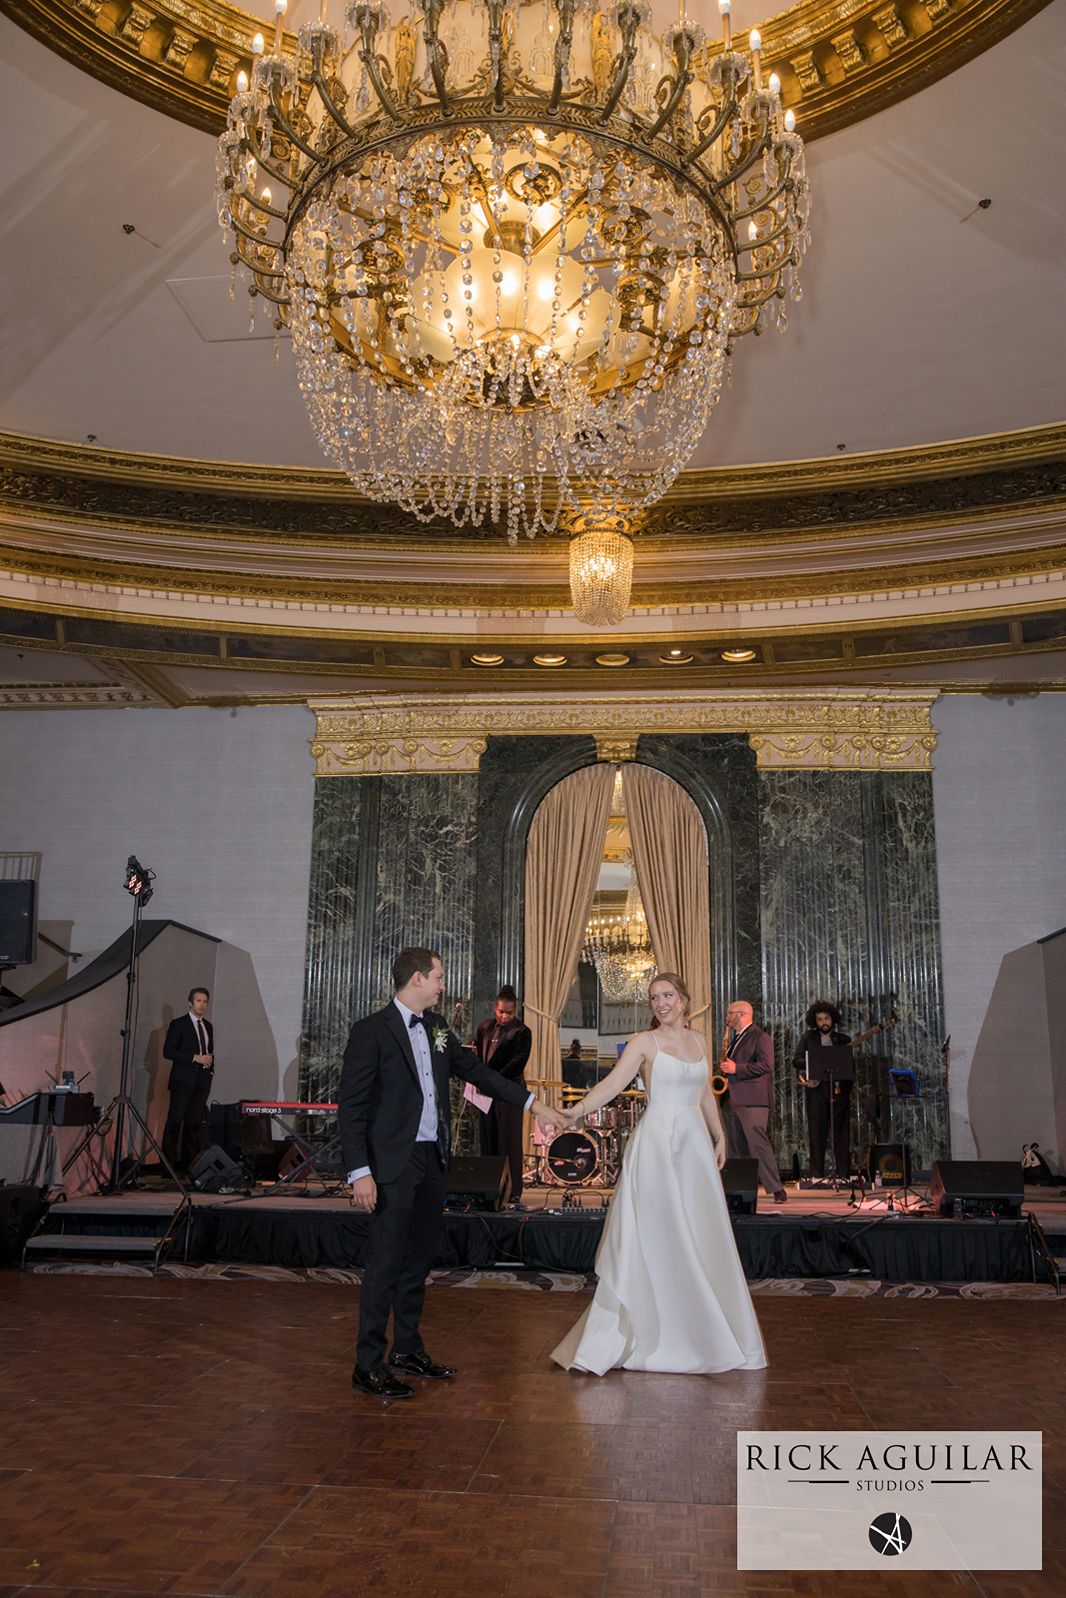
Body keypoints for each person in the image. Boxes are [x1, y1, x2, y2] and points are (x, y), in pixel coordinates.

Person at [340, 947, 560, 1399]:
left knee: (419, 1260)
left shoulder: (438, 1028)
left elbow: (479, 1074)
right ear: (418, 978)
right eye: (439, 977)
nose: (443, 984)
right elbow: (352, 1107)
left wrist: (533, 1104)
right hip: (391, 1165)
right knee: (384, 1262)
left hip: (431, 1161)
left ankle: (406, 1349)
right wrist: (359, 1171)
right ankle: (368, 1364)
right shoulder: (371, 1032)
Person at [551, 972, 766, 1376]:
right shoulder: (643, 1043)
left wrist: (719, 1135)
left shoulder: (700, 1041)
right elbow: (613, 1084)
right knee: (661, 1232)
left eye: (667, 995)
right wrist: (574, 1112)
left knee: (699, 1232)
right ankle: (653, 1335)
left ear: (683, 1000)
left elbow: (704, 1093)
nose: (661, 1003)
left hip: (694, 1147)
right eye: (653, 998)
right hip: (656, 1147)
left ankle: (702, 1331)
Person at [719, 999, 787, 1204]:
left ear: (742, 1014)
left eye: (730, 1013)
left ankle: (776, 1189)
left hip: (752, 1099)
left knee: (758, 1144)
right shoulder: (736, 1038)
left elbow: (766, 1065)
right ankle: (739, 1188)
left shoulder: (759, 1036)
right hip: (731, 1097)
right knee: (736, 1147)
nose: (727, 1018)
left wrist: (736, 1069)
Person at [474, 985, 532, 1203]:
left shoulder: (522, 1031)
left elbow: (518, 1063)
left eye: (509, 1012)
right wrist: (480, 1079)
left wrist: (492, 1081)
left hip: (510, 1092)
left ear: (515, 1010)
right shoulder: (485, 1027)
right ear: (494, 1008)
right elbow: (479, 1054)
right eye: (501, 1012)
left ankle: (513, 1190)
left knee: (509, 1141)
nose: (505, 1016)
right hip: (486, 1092)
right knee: (488, 1138)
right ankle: (488, 1187)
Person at [792, 1001, 853, 1180]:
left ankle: (843, 1175)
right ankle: (816, 1175)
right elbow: (796, 1060)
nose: (823, 1022)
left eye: (826, 1018)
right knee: (817, 1133)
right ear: (814, 1021)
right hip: (816, 1092)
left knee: (841, 1134)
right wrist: (815, 1063)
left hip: (839, 1092)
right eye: (819, 1019)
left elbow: (850, 1067)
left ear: (832, 1019)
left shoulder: (843, 1040)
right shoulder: (808, 1038)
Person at [162, 986, 214, 1173]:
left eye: (205, 1001)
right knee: (175, 1122)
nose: (202, 1005)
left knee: (194, 1125)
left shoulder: (208, 1026)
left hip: (201, 1081)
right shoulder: (179, 1024)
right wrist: (194, 1057)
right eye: (198, 1001)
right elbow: (168, 1052)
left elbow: (210, 1052)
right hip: (183, 1081)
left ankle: (189, 1167)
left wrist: (209, 1071)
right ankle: (168, 1168)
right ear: (190, 1003)